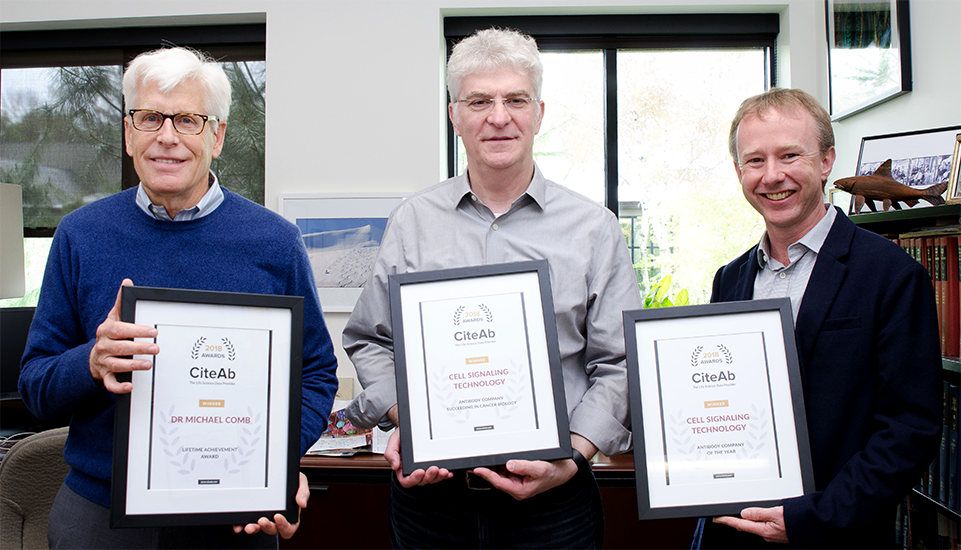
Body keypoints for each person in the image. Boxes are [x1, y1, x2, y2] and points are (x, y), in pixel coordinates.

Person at [18, 47, 339, 549]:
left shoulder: (274, 241)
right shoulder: (80, 234)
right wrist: (93, 361)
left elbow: (317, 373)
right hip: (99, 516)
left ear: (217, 135)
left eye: (188, 119)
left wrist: (273, 460)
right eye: (149, 118)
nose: (167, 137)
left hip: (233, 515)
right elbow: (36, 386)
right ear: (129, 133)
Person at [343, 28, 642, 549]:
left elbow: (619, 362)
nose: (498, 116)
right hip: (430, 505)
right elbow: (371, 340)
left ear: (540, 112)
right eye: (479, 100)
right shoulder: (412, 223)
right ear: (455, 115)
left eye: (515, 99)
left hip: (555, 508)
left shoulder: (595, 229)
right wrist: (408, 419)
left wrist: (572, 454)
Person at [694, 87, 942, 548]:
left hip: (840, 534)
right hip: (738, 532)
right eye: (755, 161)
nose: (773, 176)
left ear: (827, 160)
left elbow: (911, 430)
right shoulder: (729, 279)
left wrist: (816, 517)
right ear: (737, 171)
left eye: (790, 155)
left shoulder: (892, 274)